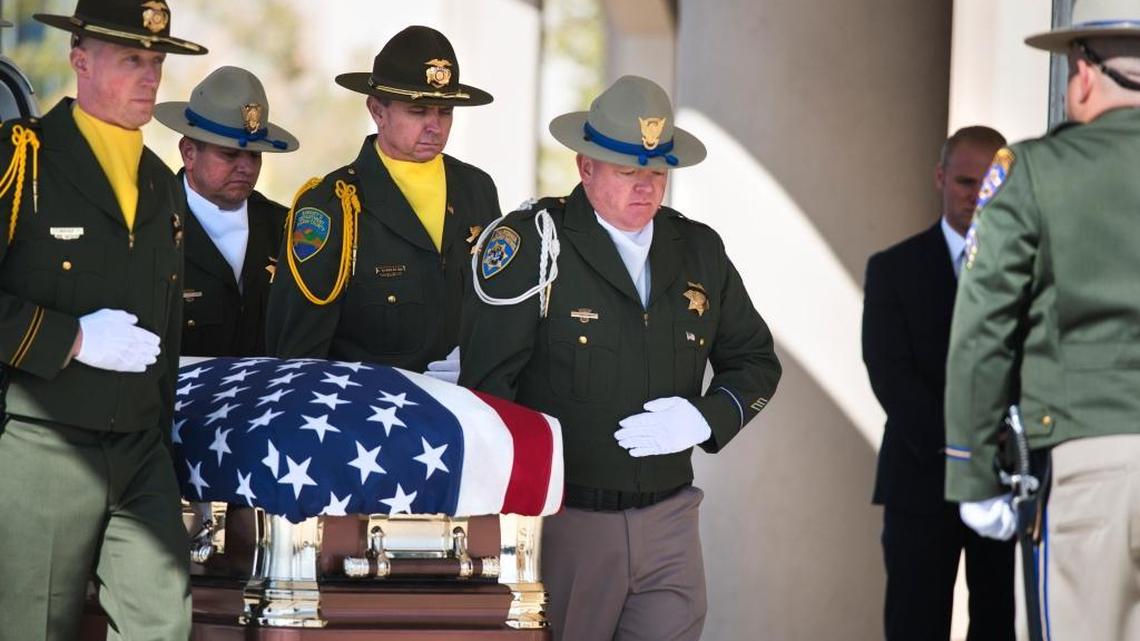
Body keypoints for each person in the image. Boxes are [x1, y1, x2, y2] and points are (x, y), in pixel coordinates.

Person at [460, 75, 782, 641]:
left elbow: (755, 360)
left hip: (671, 521)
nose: (646, 186)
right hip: (569, 525)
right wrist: (501, 527)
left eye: (657, 171)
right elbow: (490, 390)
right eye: (628, 170)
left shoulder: (699, 249)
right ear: (586, 167)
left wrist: (707, 416)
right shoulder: (536, 243)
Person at [0, 1, 206, 640]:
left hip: (140, 447)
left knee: (161, 626)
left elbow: (167, 327)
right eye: (131, 59)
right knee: (34, 628)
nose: (150, 76)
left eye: (157, 61)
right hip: (45, 442)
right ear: (80, 59)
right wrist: (74, 338)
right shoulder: (24, 158)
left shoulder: (161, 181)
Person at [945, 2, 1140, 639]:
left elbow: (982, 330)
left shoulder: (1034, 171)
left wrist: (971, 471)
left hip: (1087, 468)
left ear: (1083, 72)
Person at [266, 25, 499, 382]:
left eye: (445, 111)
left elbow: (497, 307)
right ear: (377, 110)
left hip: (464, 415)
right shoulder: (331, 204)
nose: (435, 126)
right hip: (367, 422)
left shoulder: (476, 189)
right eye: (419, 111)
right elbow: (298, 352)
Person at [863, 126, 1014, 641]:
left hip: (1003, 479)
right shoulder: (892, 269)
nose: (976, 196)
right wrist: (961, 447)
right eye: (965, 182)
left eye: (988, 184)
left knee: (998, 624)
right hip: (919, 477)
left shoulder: (1029, 270)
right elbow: (890, 376)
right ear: (940, 178)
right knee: (914, 625)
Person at [155, 65, 299, 357]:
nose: (246, 167)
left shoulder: (285, 228)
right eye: (230, 154)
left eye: (255, 156)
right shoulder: (150, 224)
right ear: (189, 153)